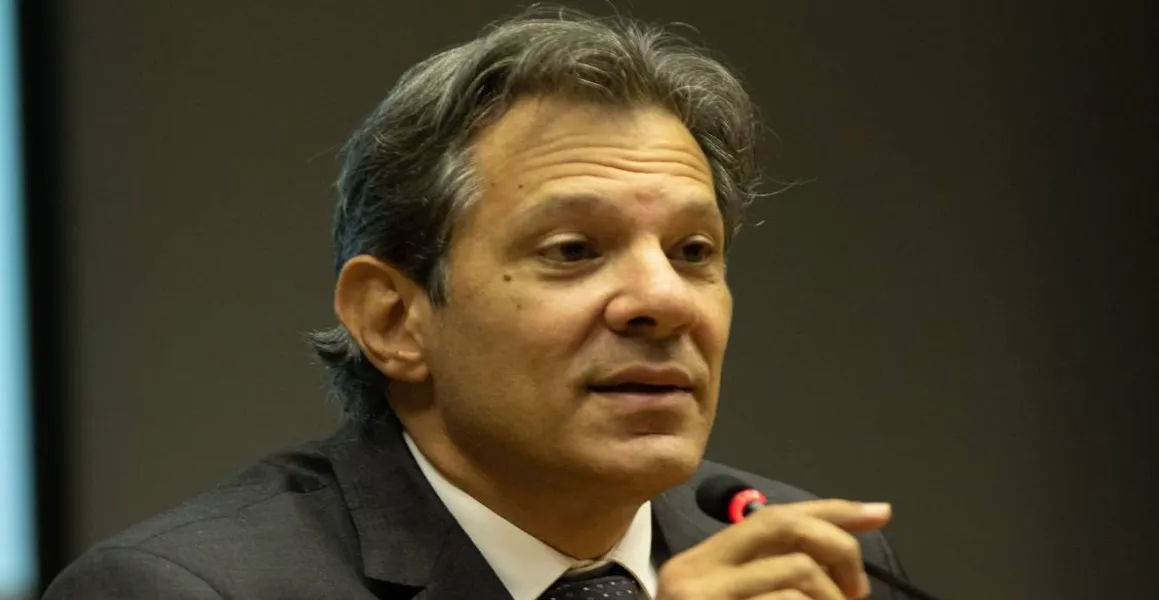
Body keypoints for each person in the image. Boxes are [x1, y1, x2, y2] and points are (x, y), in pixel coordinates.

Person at [44, 7, 909, 600]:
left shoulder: (807, 563)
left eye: (693, 253)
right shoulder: (182, 588)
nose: (662, 299)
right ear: (393, 320)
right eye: (573, 251)